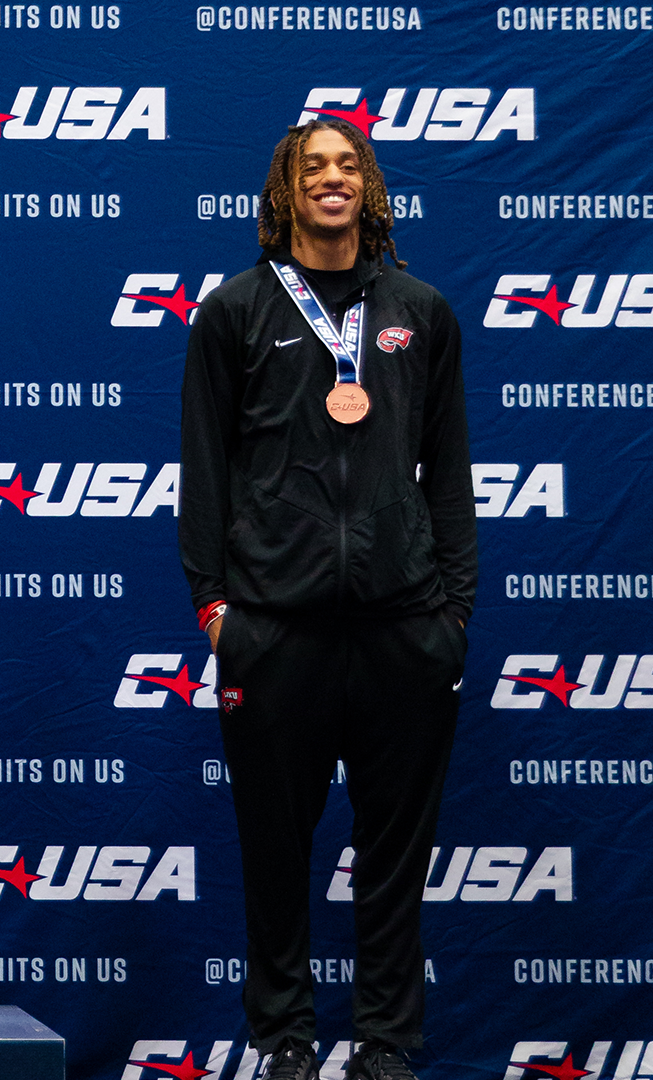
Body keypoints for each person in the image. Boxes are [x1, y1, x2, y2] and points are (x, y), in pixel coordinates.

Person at [179, 119, 477, 1080]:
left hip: (403, 629)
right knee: (275, 854)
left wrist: (451, 616)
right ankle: (286, 1042)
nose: (333, 181)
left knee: (395, 858)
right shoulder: (234, 311)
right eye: (314, 169)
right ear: (287, 192)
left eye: (349, 167)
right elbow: (206, 477)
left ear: (371, 188)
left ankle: (386, 1044)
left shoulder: (421, 311)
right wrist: (219, 615)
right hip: (275, 630)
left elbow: (452, 481)